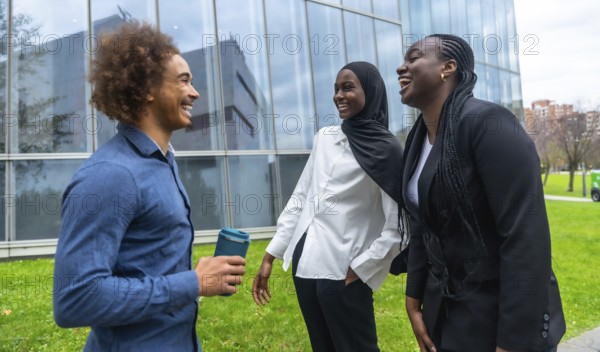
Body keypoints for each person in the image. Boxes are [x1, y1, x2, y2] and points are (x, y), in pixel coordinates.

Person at [53, 21, 246, 351]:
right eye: (184, 80)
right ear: (147, 90)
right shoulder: (110, 175)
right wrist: (193, 282)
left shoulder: (164, 162)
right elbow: (75, 298)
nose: (195, 92)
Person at [396, 34, 565, 352]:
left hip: (498, 317)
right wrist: (413, 298)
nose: (400, 68)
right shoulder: (417, 140)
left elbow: (525, 236)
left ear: (448, 67)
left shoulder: (488, 124)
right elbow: (422, 225)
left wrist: (513, 342)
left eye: (413, 58)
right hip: (447, 313)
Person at [253, 61, 409, 352]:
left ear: (371, 91)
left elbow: (399, 225)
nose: (338, 95)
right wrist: (270, 255)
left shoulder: (387, 150)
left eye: (348, 87)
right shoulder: (325, 138)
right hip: (305, 268)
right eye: (336, 89)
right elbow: (301, 197)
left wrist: (361, 269)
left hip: (344, 275)